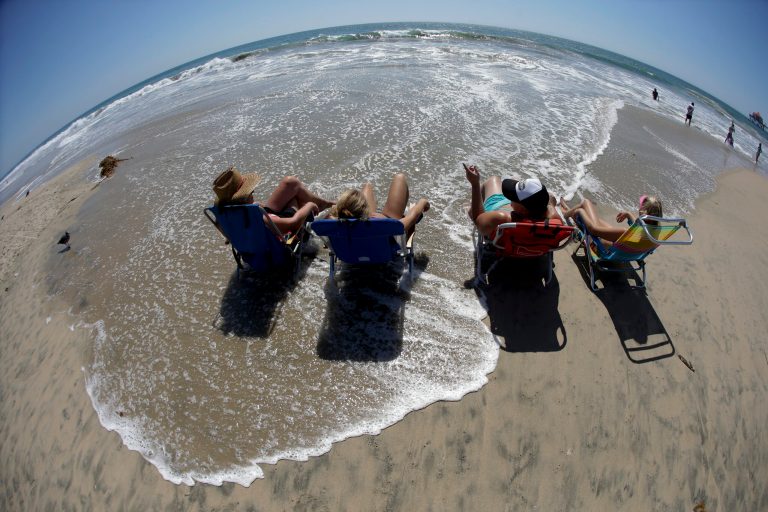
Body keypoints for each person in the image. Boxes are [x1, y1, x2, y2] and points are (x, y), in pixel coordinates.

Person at [212, 166, 334, 234]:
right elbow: (293, 224)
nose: (253, 192)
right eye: (249, 192)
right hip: (276, 229)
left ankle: (322, 204)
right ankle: (319, 205)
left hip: (262, 224)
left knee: (290, 182)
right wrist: (310, 205)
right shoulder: (260, 219)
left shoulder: (224, 218)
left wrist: (257, 206)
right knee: (294, 198)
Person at [464, 163, 560, 237]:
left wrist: (475, 184)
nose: (510, 199)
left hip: (498, 216)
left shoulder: (502, 219)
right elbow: (550, 202)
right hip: (530, 244)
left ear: (523, 210)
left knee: (493, 179)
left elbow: (478, 220)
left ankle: (469, 207)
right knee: (551, 197)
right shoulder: (554, 219)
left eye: (513, 197)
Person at [329, 172, 429, 235]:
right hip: (385, 228)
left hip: (353, 251)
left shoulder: (331, 225)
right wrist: (423, 202)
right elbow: (413, 215)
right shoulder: (391, 226)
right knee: (400, 178)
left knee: (367, 186)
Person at [559, 194, 662, 244]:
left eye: (641, 207)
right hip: (623, 251)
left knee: (585, 203)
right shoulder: (655, 231)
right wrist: (628, 214)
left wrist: (580, 212)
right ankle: (569, 210)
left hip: (605, 247)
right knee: (597, 219)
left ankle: (566, 213)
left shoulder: (625, 232)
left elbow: (594, 230)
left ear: (643, 212)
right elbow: (640, 224)